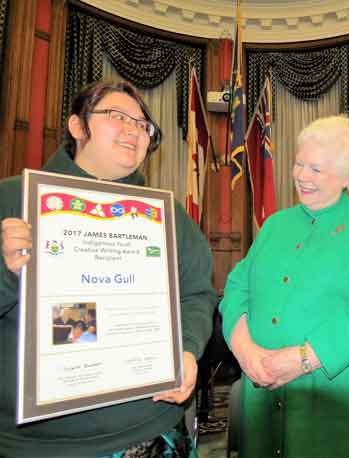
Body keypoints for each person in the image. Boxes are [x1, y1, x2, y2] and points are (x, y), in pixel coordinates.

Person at [0, 81, 217, 457]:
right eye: (117, 116)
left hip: (154, 430)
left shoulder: (170, 219)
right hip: (40, 445)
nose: (134, 130)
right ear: (77, 126)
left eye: (143, 125)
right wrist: (7, 272)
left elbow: (196, 294)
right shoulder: (12, 199)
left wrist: (187, 350)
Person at [220, 115, 349, 457]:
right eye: (299, 163)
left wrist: (305, 358)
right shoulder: (275, 224)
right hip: (263, 390)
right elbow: (236, 287)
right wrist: (245, 350)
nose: (301, 176)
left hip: (337, 398)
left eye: (316, 169)